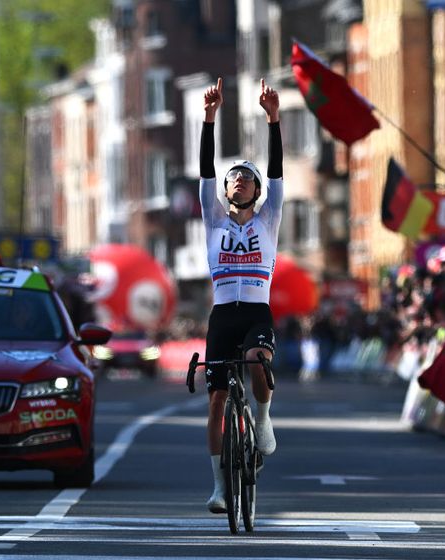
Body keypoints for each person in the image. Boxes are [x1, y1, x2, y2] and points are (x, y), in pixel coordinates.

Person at [199, 76, 282, 514]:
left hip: (255, 311)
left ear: (257, 190)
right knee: (215, 401)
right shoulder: (214, 220)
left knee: (254, 363)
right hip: (221, 316)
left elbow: (278, 173)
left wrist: (273, 120)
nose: (237, 182)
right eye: (232, 178)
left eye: (246, 178)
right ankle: (218, 487)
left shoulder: (268, 221)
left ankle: (264, 423)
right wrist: (209, 119)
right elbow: (205, 171)